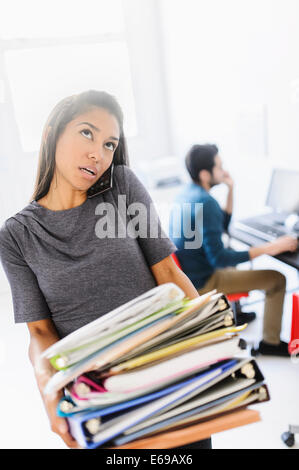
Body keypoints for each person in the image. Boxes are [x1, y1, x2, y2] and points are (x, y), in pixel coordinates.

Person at [0, 90, 212, 449]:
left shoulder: (122, 188)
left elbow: (170, 275)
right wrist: (49, 392)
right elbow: (40, 332)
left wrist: (213, 343)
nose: (98, 154)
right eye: (87, 133)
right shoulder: (17, 235)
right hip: (102, 398)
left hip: (168, 375)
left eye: (110, 144)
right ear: (53, 132)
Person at [169, 144, 298, 357]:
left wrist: (231, 189)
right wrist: (270, 248)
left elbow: (221, 225)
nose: (224, 171)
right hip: (204, 281)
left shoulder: (188, 193)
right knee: (277, 279)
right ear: (205, 174)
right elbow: (219, 259)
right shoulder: (206, 201)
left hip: (189, 275)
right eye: (219, 167)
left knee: (234, 254)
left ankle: (238, 311)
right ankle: (270, 343)